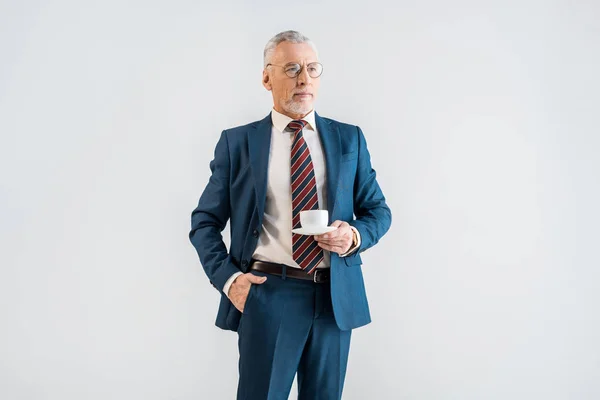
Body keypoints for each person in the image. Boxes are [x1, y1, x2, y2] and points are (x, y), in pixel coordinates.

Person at [189, 30, 391, 400]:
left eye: (313, 69)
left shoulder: (350, 139)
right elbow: (204, 223)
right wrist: (230, 281)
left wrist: (354, 236)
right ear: (267, 77)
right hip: (269, 294)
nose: (305, 79)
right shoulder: (238, 143)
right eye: (293, 68)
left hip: (334, 297)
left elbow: (378, 211)